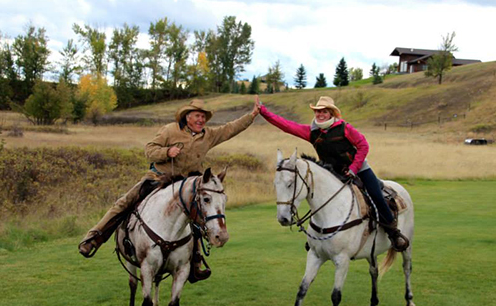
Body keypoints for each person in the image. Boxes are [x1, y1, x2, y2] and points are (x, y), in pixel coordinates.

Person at [78, 98, 261, 280]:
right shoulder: (170, 130)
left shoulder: (209, 135)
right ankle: (94, 238)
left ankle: (195, 263)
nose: (201, 120)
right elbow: (149, 150)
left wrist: (252, 115)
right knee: (124, 202)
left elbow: (231, 128)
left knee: (197, 217)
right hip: (159, 179)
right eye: (197, 116)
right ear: (187, 116)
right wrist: (167, 152)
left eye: (203, 117)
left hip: (187, 187)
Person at [257, 95, 409, 252]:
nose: (320, 114)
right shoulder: (312, 132)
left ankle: (394, 233)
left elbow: (363, 145)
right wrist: (263, 112)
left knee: (377, 196)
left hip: (359, 169)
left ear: (331, 113)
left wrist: (353, 169)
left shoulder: (345, 128)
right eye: (317, 112)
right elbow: (286, 125)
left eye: (324, 111)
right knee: (318, 200)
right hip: (333, 173)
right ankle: (318, 238)